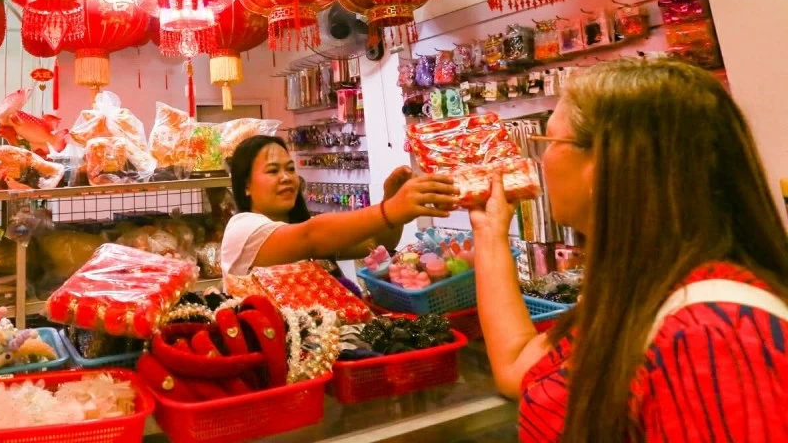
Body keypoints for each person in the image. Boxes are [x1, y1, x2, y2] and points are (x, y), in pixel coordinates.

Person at [472, 59, 788, 443]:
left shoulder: (713, 335)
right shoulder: (640, 292)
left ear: (603, 164)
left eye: (550, 143)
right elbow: (518, 367)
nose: (541, 161)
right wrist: (490, 232)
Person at [220, 134, 459, 283]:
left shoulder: (302, 227)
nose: (286, 178)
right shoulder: (242, 229)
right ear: (246, 186)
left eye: (290, 169)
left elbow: (378, 243)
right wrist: (390, 209)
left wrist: (391, 199)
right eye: (273, 171)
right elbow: (311, 236)